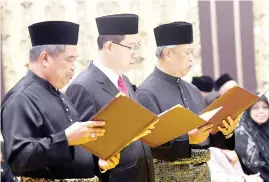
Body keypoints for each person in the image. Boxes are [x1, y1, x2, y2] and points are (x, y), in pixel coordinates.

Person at [1, 21, 120, 182]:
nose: (73, 68)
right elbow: (19, 158)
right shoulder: (21, 98)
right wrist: (66, 139)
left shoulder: (59, 95)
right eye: (69, 60)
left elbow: (72, 155)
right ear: (45, 58)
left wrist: (98, 163)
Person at [136, 21, 240, 182]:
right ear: (168, 54)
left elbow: (206, 138)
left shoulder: (193, 91)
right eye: (187, 53)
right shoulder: (146, 93)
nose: (192, 58)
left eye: (193, 53)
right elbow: (149, 147)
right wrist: (189, 139)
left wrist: (226, 131)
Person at [65, 14, 154, 182]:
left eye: (137, 46)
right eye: (131, 47)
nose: (135, 53)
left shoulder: (124, 80)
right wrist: (100, 164)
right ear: (110, 46)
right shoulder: (82, 86)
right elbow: (80, 149)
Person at [235, 94, 269, 182]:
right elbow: (254, 166)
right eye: (255, 107)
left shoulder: (266, 128)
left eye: (265, 107)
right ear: (248, 109)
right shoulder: (242, 133)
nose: (261, 111)